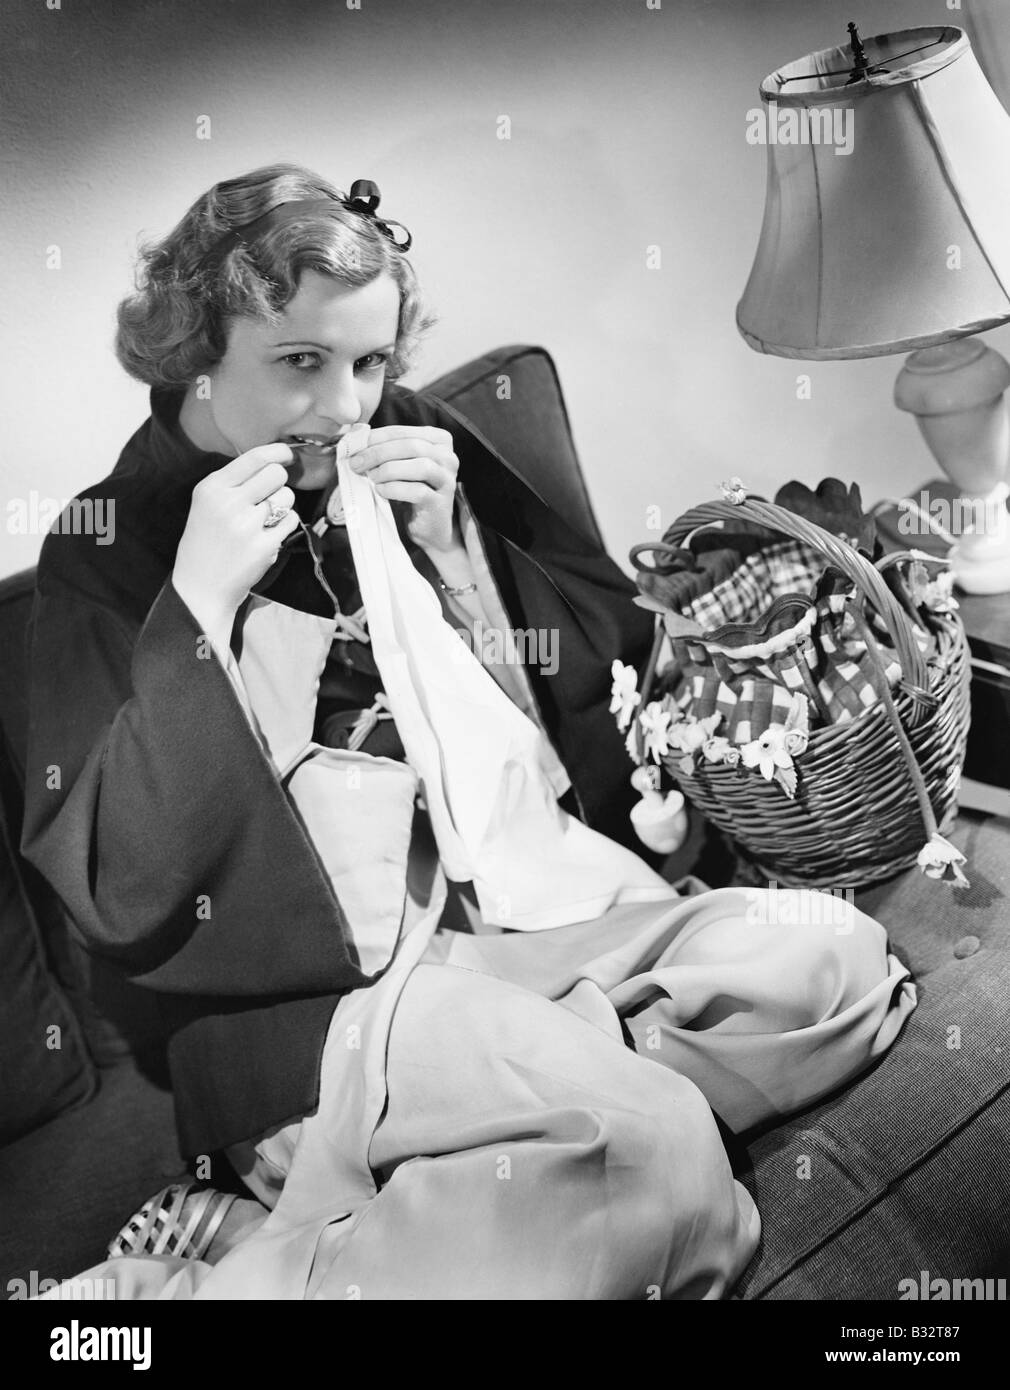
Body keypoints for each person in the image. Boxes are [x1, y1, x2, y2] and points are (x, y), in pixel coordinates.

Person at [22, 164, 916, 1300]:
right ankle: (193, 1289)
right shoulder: (105, 549)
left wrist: (454, 554)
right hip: (320, 1009)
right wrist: (194, 612)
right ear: (194, 351)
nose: (347, 408)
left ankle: (504, 1143)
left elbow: (600, 678)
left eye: (369, 360)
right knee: (653, 1161)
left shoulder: (404, 433)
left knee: (831, 962)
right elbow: (115, 887)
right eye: (298, 364)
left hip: (516, 916)